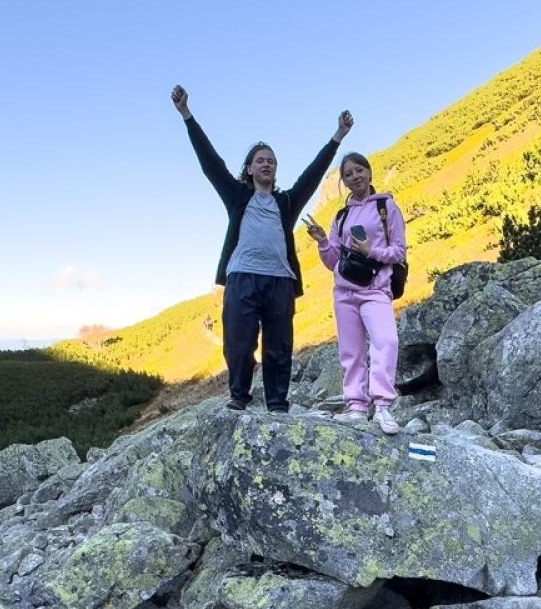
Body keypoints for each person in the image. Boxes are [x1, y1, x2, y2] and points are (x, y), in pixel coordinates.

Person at [170, 85, 353, 412]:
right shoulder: (238, 195)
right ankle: (239, 397)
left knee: (279, 347)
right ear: (250, 169)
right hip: (242, 278)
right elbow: (211, 162)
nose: (266, 164)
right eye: (260, 161)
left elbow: (312, 175)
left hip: (280, 281)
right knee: (239, 345)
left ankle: (277, 404)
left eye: (271, 161)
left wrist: (337, 136)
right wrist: (187, 115)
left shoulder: (286, 202)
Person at [304, 152, 406, 435]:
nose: (355, 177)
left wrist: (369, 251)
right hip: (344, 293)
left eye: (359, 170)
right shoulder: (342, 215)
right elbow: (333, 261)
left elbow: (398, 251)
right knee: (351, 351)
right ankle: (356, 408)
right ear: (344, 182)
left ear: (370, 172)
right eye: (348, 174)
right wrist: (323, 241)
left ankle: (383, 406)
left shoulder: (387, 207)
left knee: (386, 340)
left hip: (375, 290)